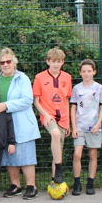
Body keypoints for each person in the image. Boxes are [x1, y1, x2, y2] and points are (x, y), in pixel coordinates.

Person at [0, 48, 41, 200]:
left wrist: (6, 105)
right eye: (2, 62)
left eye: (8, 61)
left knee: (26, 155)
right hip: (3, 124)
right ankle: (15, 185)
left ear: (14, 62)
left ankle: (31, 186)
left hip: (22, 122)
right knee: (9, 155)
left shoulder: (23, 78)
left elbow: (27, 100)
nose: (5, 64)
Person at [33, 47, 72, 187]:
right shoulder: (39, 77)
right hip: (48, 116)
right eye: (53, 61)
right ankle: (60, 170)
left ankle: (55, 181)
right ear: (48, 61)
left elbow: (66, 101)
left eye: (59, 61)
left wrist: (68, 124)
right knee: (55, 134)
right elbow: (36, 101)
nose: (56, 64)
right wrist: (45, 114)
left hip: (63, 118)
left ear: (63, 62)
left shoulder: (67, 77)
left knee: (58, 151)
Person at [69, 59, 102, 195]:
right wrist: (74, 127)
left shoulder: (99, 88)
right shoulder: (77, 88)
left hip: (94, 127)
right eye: (84, 71)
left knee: (92, 154)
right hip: (80, 127)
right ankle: (77, 183)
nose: (86, 73)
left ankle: (90, 182)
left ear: (94, 72)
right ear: (80, 73)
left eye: (89, 71)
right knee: (77, 154)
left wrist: (98, 124)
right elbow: (73, 107)